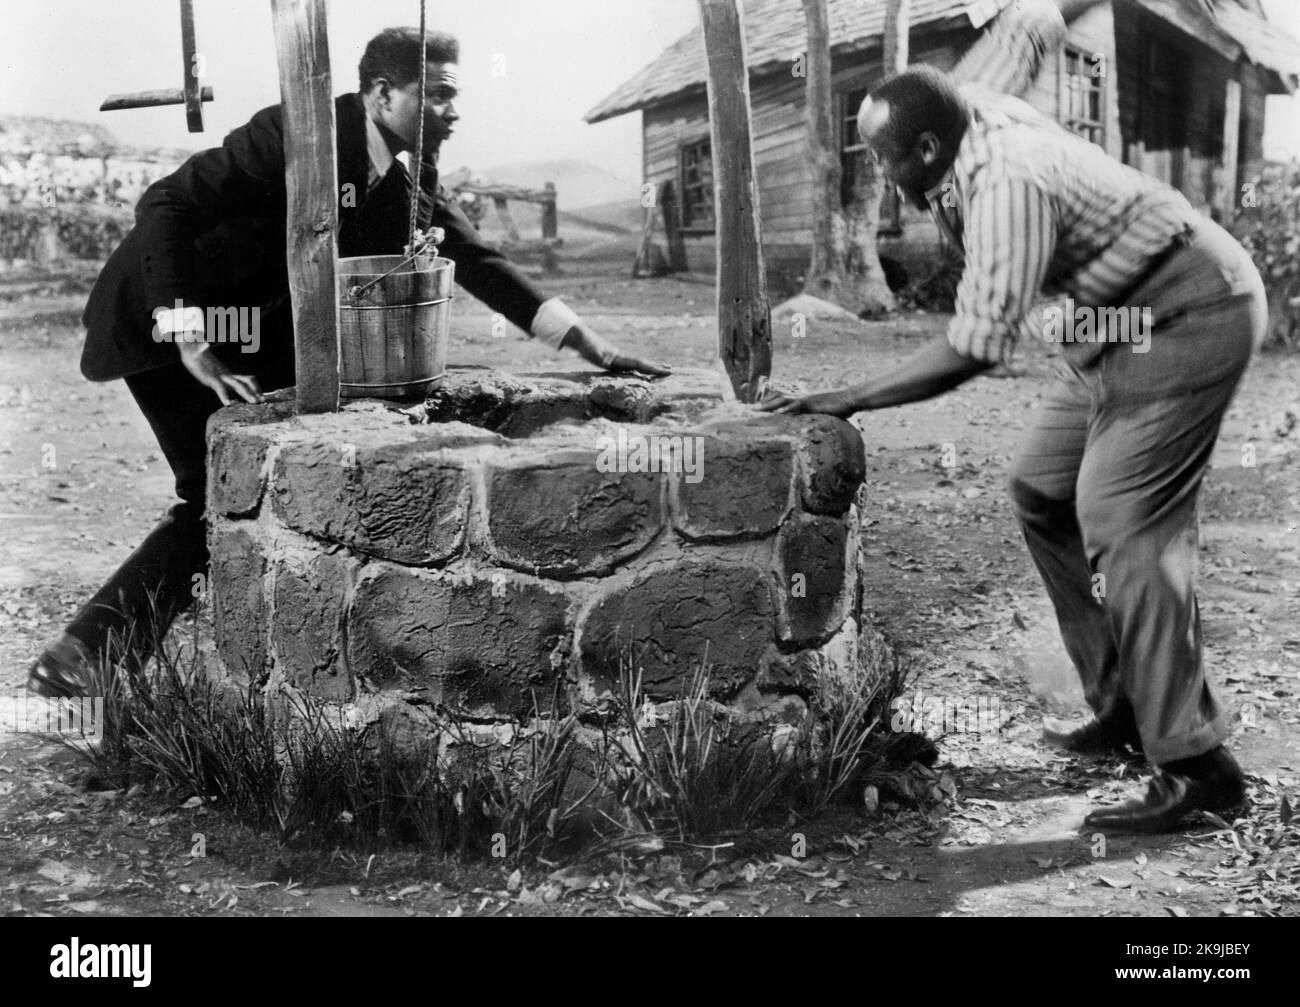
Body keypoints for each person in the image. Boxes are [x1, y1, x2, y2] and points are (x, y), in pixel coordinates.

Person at [29, 27, 669, 698]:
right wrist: (192, 334)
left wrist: (585, 342)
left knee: (278, 472)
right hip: (165, 315)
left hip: (253, 337)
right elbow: (166, 203)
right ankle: (83, 656)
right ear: (383, 92)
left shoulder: (409, 168)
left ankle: (278, 645)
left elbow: (474, 257)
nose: (454, 112)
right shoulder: (294, 133)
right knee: (212, 494)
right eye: (441, 96)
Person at [760, 0, 1264, 834]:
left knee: (1124, 520)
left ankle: (1198, 765)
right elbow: (1032, 20)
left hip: (1189, 307)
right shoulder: (957, 102)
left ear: (928, 148)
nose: (883, 179)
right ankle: (1126, 709)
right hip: (1108, 322)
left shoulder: (1009, 184)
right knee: (1042, 489)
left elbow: (975, 347)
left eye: (887, 162)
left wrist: (846, 396)